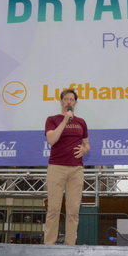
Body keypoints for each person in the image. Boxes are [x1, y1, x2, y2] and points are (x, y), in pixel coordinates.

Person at [44, 89, 90, 245]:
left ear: (75, 102)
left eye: (71, 99)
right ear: (61, 102)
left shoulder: (81, 122)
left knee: (73, 210)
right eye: (66, 99)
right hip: (57, 168)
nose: (69, 102)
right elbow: (51, 140)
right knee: (54, 208)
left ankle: (70, 246)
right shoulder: (52, 120)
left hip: (76, 170)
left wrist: (85, 150)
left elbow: (87, 144)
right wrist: (64, 121)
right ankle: (49, 245)